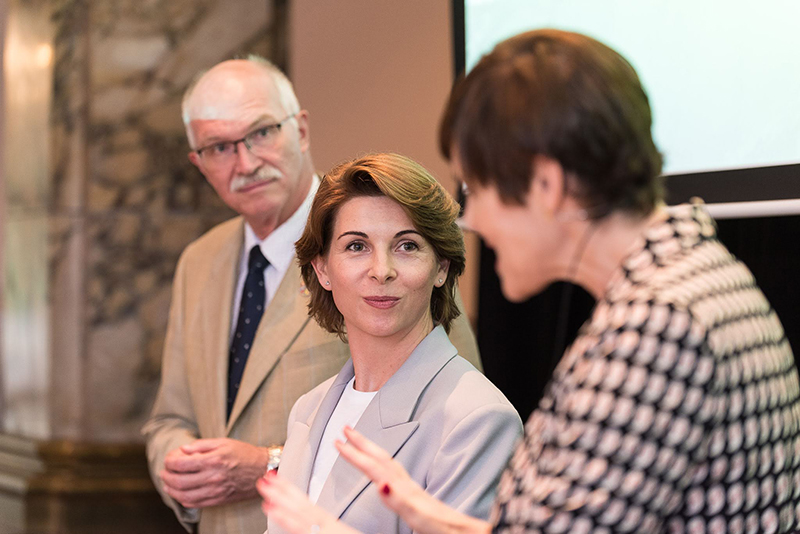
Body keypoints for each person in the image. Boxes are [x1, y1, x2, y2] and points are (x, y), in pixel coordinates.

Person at [257, 30, 800, 533]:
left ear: (546, 185)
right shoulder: (702, 282)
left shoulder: (656, 327)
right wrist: (432, 517)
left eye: (478, 189)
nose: (473, 221)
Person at [142, 58, 481, 534]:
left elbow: (449, 407)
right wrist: (181, 468)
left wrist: (270, 463)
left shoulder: (394, 247)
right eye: (219, 147)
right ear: (198, 162)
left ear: (300, 130)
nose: (246, 163)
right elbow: (169, 417)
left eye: (262, 132)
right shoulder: (198, 261)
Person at [266, 153, 521, 534]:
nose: (381, 271)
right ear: (322, 269)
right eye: (357, 246)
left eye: (407, 246)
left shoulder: (478, 419)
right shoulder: (308, 410)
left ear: (441, 267)